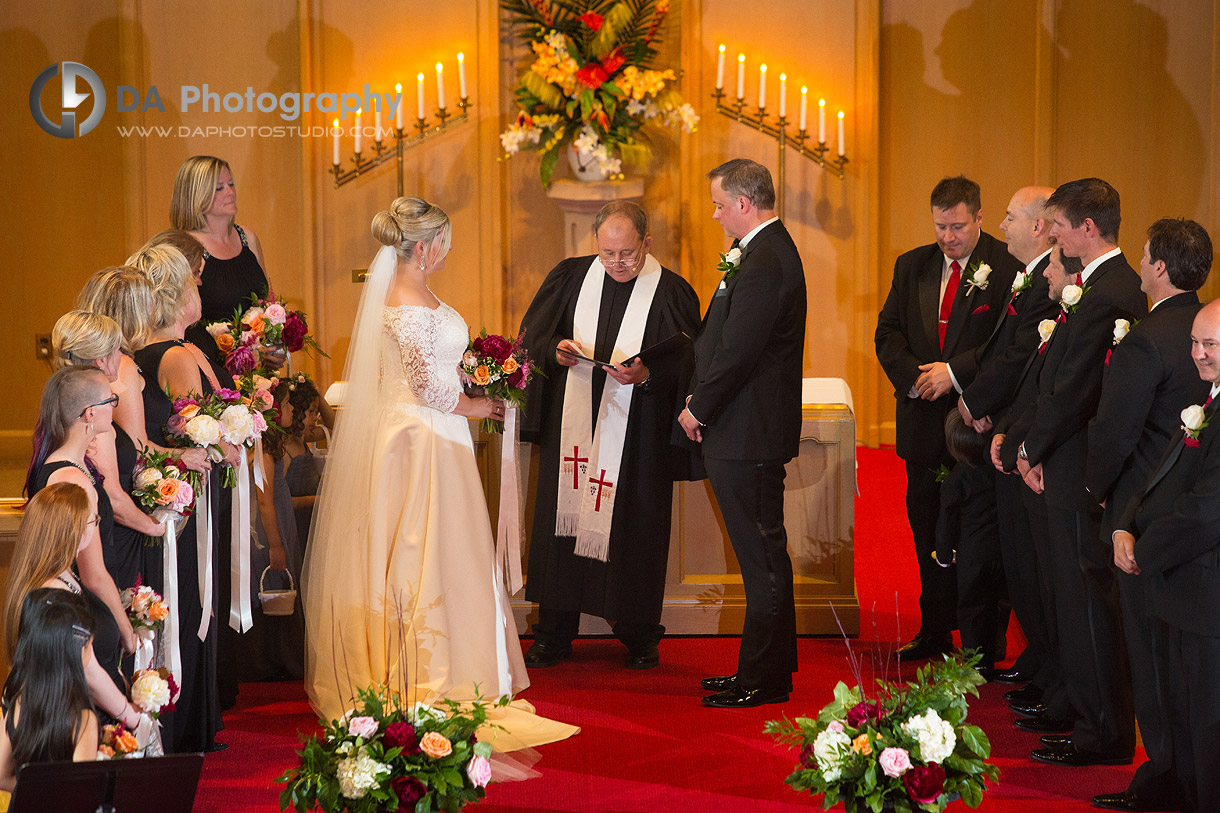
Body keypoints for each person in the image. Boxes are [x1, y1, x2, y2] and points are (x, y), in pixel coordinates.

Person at [302, 197, 577, 750]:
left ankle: (454, 661)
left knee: (443, 547)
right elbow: (428, 388)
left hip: (432, 432)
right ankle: (427, 672)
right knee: (420, 549)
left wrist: (482, 377)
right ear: (424, 247)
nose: (448, 253)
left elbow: (437, 373)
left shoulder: (414, 292)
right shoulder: (405, 300)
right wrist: (486, 406)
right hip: (420, 439)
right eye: (445, 243)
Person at [518, 201, 700, 670]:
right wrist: (553, 350)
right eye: (608, 253)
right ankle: (554, 633)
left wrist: (647, 375)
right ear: (595, 243)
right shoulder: (569, 277)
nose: (617, 263)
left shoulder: (671, 292)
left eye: (628, 253)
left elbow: (690, 363)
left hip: (638, 439)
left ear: (647, 243)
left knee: (634, 529)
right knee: (564, 523)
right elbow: (532, 338)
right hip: (572, 433)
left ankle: (639, 635)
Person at [1005, 178, 1145, 768]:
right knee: (1070, 597)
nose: (1052, 234)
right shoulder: (1088, 287)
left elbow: (1075, 388)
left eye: (1059, 225)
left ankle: (1103, 731)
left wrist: (1031, 448)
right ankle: (1084, 713)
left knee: (1088, 602)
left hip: (1076, 467)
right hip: (1060, 463)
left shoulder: (1109, 291)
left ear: (1088, 229)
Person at [1085, 218, 1211, 812]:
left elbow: (1116, 433)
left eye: (1143, 257)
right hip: (1172, 531)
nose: (1199, 355)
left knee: (1162, 671)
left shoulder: (1147, 338)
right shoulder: (1200, 342)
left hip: (1160, 538)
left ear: (1157, 265)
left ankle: (1167, 777)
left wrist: (1105, 507)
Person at [874, 176, 1022, 660]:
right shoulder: (911, 265)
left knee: (981, 538)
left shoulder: (1006, 267)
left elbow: (1007, 344)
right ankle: (934, 628)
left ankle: (984, 639)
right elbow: (887, 333)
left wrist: (954, 375)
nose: (947, 236)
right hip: (921, 423)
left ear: (979, 218)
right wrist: (918, 378)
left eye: (957, 226)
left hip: (974, 427)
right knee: (927, 528)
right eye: (940, 226)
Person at [676, 158, 805, 709]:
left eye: (719, 204)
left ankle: (765, 679)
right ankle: (762, 668)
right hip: (741, 430)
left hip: (747, 432)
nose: (715, 214)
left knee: (762, 557)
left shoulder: (768, 259)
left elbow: (740, 350)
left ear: (744, 205)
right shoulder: (759, 253)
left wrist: (698, 408)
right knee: (761, 556)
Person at [1113, 298, 1220, 813]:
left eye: (1211, 345)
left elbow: (1206, 511)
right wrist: (1126, 523)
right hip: (1183, 590)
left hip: (1207, 594)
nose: (1198, 354)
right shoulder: (1210, 401)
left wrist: (1144, 550)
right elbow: (1163, 474)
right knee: (1185, 711)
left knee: (1208, 722)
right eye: (1195, 343)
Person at [129, 243, 233, 752]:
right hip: (182, 503)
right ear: (176, 294)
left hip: (171, 498)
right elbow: (196, 434)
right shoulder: (174, 355)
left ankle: (182, 717)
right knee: (190, 601)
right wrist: (231, 438)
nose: (201, 290)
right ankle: (188, 723)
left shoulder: (154, 352)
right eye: (195, 282)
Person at [958, 187, 1061, 696]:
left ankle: (1047, 662)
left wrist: (975, 404)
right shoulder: (1028, 275)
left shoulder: (1049, 281)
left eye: (1009, 216)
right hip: (1005, 430)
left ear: (1038, 226)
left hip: (1021, 436)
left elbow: (1023, 358)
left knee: (1029, 562)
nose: (1001, 226)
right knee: (1017, 561)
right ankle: (1039, 657)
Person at [2, 485, 149, 741]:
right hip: (83, 725)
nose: (96, 526)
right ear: (75, 530)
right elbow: (87, 670)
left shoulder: (62, 577)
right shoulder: (55, 594)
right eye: (94, 520)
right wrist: (131, 715)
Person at [23, 367, 136, 667]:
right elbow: (93, 575)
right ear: (89, 414)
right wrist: (127, 631)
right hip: (84, 614)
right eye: (109, 400)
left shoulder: (71, 464)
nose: (115, 404)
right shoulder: (73, 479)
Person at [51, 310, 165, 593]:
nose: (122, 357)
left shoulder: (63, 399)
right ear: (101, 360)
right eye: (118, 350)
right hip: (112, 541)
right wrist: (155, 526)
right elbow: (111, 494)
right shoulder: (93, 418)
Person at [169, 156, 274, 366]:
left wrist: (274, 345)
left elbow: (268, 301)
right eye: (219, 188)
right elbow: (177, 322)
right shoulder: (186, 248)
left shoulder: (248, 238)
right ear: (196, 195)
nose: (230, 192)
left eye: (231, 184)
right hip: (212, 367)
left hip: (259, 366)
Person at [234, 379, 306, 683]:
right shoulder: (262, 451)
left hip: (274, 528)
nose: (292, 409)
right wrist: (277, 545)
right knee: (272, 591)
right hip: (267, 534)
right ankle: (274, 662)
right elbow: (264, 502)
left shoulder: (267, 448)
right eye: (287, 404)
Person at [0, 589, 99, 791]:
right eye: (90, 645)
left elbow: (1, 776)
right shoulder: (83, 718)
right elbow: (80, 793)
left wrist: (36, 794)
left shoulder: (18, 701)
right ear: (77, 650)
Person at [934, 410, 1003, 673]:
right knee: (995, 603)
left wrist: (943, 555)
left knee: (971, 608)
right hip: (999, 550)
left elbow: (947, 521)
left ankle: (976, 664)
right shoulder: (996, 472)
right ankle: (994, 649)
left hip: (971, 556)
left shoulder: (955, 480)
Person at [276, 374, 322, 541]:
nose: (316, 418)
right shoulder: (285, 449)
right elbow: (280, 500)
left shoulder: (301, 439)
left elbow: (336, 427)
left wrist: (317, 394)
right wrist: (316, 500)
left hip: (309, 521)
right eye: (311, 411)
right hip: (296, 524)